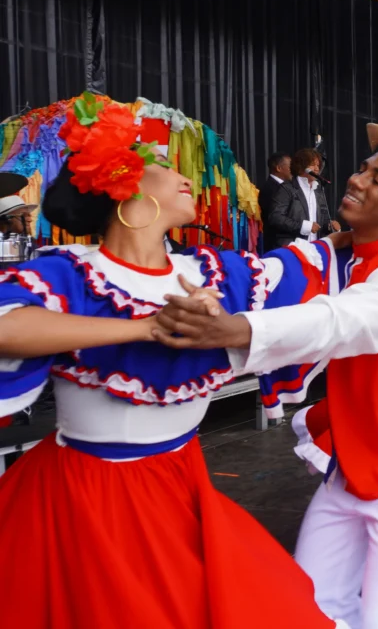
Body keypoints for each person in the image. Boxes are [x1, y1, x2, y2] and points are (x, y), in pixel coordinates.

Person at [0, 99, 347, 629]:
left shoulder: (213, 272)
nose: (186, 179)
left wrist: (363, 227)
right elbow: (8, 328)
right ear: (127, 189)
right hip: (91, 496)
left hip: (184, 482)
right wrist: (147, 327)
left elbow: (304, 263)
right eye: (166, 170)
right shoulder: (73, 273)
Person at [153, 125, 378, 629]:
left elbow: (334, 323)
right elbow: (282, 272)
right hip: (353, 462)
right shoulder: (346, 254)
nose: (358, 180)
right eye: (364, 168)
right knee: (311, 601)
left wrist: (234, 329)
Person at [270, 148, 340, 247]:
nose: (317, 168)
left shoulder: (318, 189)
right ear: (301, 166)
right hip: (293, 248)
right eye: (312, 164)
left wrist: (330, 226)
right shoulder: (287, 188)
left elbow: (322, 219)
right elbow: (276, 217)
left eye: (318, 165)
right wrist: (304, 226)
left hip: (315, 249)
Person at [258, 150, 292, 252]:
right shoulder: (270, 189)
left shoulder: (285, 187)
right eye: (290, 166)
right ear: (278, 168)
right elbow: (275, 219)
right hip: (276, 244)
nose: (293, 170)